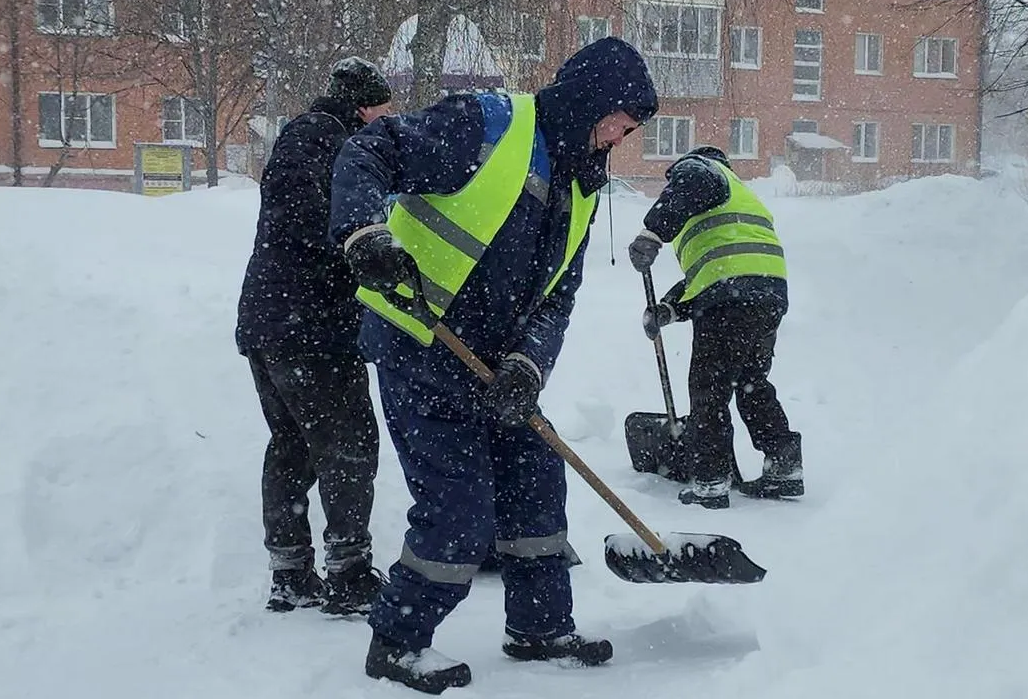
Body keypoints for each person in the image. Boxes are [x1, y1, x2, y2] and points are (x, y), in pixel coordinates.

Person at [329, 37, 657, 694]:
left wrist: (528, 368)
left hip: (492, 364)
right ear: (591, 100)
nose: (624, 135)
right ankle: (396, 642)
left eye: (633, 127)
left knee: (536, 480)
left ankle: (540, 628)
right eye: (622, 118)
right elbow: (369, 150)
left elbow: (557, 296)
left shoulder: (580, 187)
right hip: (421, 342)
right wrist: (366, 233)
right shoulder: (489, 123)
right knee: (458, 510)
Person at [235, 57, 394, 614]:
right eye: (380, 109)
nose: (383, 121)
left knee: (292, 446)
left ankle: (290, 573)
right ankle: (348, 574)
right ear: (363, 106)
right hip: (310, 328)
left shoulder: (300, 138)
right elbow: (318, 223)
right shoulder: (337, 144)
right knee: (348, 445)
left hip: (269, 320)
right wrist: (365, 251)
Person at [627, 145, 803, 509]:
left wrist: (651, 233)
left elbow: (722, 278)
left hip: (732, 298)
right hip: (767, 293)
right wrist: (669, 309)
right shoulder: (738, 197)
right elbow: (712, 273)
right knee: (752, 382)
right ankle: (783, 465)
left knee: (709, 387)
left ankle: (710, 478)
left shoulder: (699, 170)